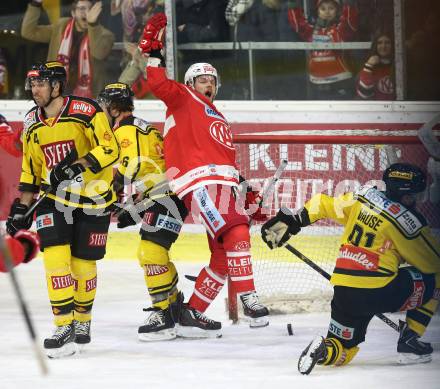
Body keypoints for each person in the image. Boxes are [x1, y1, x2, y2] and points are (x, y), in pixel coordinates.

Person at [138, 13, 269, 337]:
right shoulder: (183, 98)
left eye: (212, 79)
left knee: (222, 257)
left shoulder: (217, 116)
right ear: (190, 83)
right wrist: (153, 52)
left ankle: (192, 312)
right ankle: (249, 297)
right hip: (198, 182)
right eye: (202, 78)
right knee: (237, 231)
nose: (208, 83)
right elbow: (156, 82)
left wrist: (243, 186)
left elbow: (222, 157)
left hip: (219, 183)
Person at [261, 162, 440, 374]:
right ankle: (411, 340)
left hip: (344, 292)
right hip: (380, 292)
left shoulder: (363, 197)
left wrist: (294, 221)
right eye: (416, 195)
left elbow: (323, 204)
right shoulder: (410, 222)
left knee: (343, 348)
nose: (417, 200)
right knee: (436, 277)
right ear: (407, 195)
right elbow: (433, 263)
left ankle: (324, 350)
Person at [6, 60, 119, 358]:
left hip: (94, 197)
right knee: (55, 257)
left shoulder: (86, 111)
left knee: (82, 264)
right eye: (33, 83)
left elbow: (110, 149)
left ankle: (82, 321)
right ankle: (63, 324)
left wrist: (75, 167)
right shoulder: (31, 120)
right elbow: (31, 168)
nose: (35, 89)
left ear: (57, 86)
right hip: (54, 199)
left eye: (41, 83)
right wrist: (21, 208)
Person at [97, 82, 188, 341]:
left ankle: (163, 313)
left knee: (151, 252)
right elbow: (151, 169)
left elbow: (131, 167)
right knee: (150, 252)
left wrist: (111, 193)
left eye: (104, 105)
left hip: (166, 197)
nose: (102, 110)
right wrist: (136, 205)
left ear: (114, 108)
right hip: (167, 195)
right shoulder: (141, 125)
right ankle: (173, 307)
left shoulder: (125, 130)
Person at [21, 0, 115, 98]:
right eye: (82, 8)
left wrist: (93, 25)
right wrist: (35, 4)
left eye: (90, 9)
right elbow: (29, 32)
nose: (87, 13)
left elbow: (99, 53)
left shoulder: (105, 35)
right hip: (57, 91)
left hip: (88, 97)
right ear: (73, 13)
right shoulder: (60, 27)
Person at [288, 0, 358, 99]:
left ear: (337, 11)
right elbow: (298, 24)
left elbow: (349, 21)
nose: (327, 12)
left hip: (340, 84)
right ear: (318, 11)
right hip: (316, 85)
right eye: (323, 8)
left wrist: (349, 3)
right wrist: (293, 4)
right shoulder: (311, 31)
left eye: (331, 8)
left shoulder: (341, 30)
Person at [356, 30, 395, 100]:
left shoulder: (399, 65)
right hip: (377, 108)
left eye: (387, 43)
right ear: (375, 46)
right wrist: (369, 65)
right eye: (380, 43)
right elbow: (364, 95)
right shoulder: (369, 66)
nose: (383, 46)